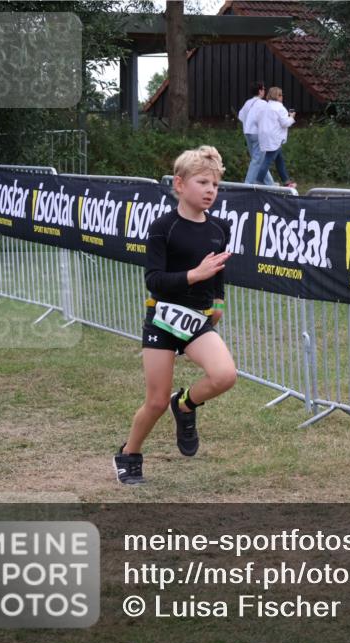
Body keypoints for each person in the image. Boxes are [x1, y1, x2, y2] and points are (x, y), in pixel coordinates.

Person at [114, 146, 238, 484]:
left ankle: (184, 405)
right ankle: (129, 454)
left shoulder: (220, 227)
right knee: (155, 401)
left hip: (197, 321)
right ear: (180, 185)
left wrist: (218, 300)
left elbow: (218, 268)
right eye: (203, 183)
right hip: (163, 320)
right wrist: (194, 275)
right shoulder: (163, 227)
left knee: (225, 376)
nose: (210, 190)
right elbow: (154, 280)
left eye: (215, 185)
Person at [257, 86, 297, 189]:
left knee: (279, 159)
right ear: (278, 96)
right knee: (268, 160)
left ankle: (286, 182)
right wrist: (291, 117)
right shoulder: (280, 108)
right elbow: (285, 123)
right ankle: (257, 182)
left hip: (264, 135)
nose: (282, 96)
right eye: (281, 95)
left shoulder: (265, 106)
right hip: (275, 137)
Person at [237, 82, 275, 186]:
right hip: (258, 134)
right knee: (257, 160)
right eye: (264, 89)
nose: (264, 91)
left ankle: (270, 185)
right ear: (260, 91)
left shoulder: (247, 102)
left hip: (247, 133)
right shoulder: (263, 104)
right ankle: (247, 184)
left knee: (258, 160)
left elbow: (240, 116)